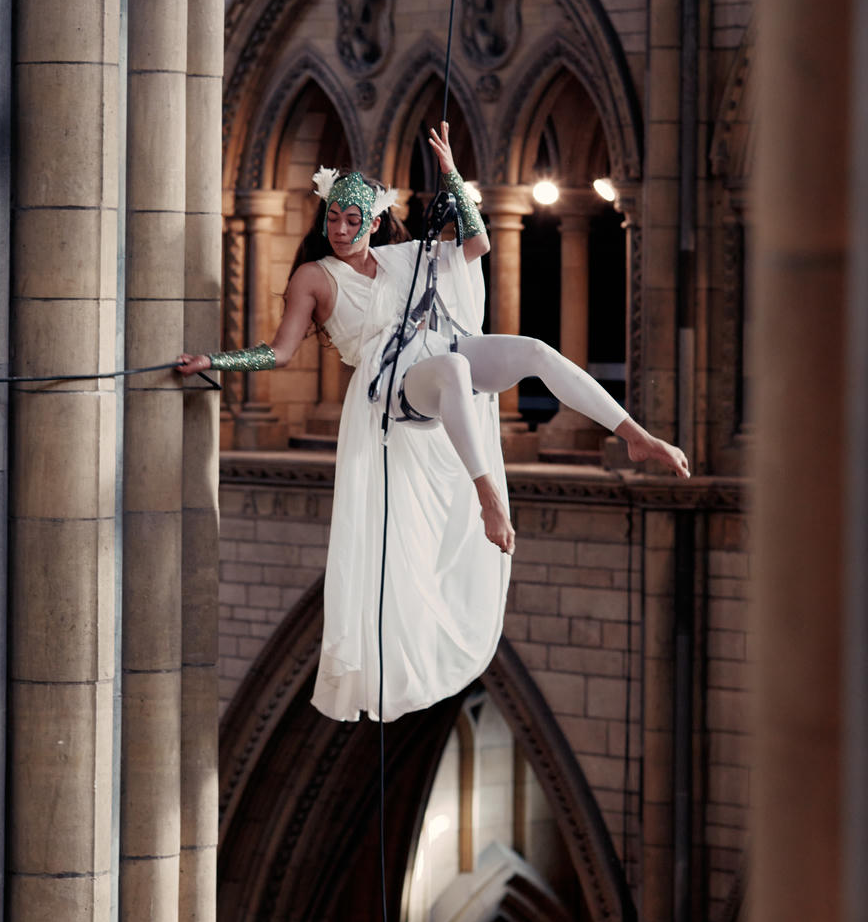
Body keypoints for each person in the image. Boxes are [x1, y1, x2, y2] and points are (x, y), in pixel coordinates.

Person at [177, 124, 689, 721]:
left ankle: (636, 435)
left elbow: (477, 244)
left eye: (351, 221)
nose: (339, 230)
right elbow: (281, 353)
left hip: (438, 355)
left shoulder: (403, 260)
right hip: (391, 386)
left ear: (373, 222)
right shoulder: (314, 278)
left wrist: (449, 171)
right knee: (449, 367)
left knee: (532, 351)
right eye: (333, 219)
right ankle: (488, 497)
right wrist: (217, 360)